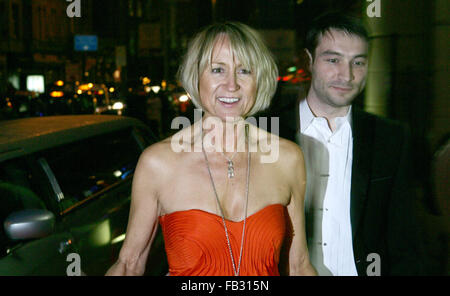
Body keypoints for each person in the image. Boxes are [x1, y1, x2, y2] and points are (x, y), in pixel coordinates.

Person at [106, 22, 317, 276]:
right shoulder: (158, 163)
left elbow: (299, 265)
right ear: (196, 78)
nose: (232, 85)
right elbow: (129, 264)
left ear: (258, 80)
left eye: (244, 71)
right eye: (218, 70)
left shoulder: (287, 158)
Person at [273, 12, 424, 275]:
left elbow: (404, 239)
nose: (347, 75)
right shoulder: (269, 133)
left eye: (358, 62)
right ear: (309, 61)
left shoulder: (391, 137)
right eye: (333, 60)